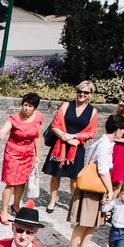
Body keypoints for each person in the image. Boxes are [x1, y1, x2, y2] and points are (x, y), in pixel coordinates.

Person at [67, 113, 124, 247]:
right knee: (83, 223)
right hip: (92, 189)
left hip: (98, 188)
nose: (123, 133)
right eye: (122, 130)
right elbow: (103, 170)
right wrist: (109, 190)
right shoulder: (103, 145)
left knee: (93, 223)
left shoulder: (108, 144)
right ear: (117, 129)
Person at [42, 81, 99, 214]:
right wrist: (65, 137)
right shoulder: (67, 105)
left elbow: (91, 132)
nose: (82, 94)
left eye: (86, 92)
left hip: (77, 146)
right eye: (80, 91)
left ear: (90, 94)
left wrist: (74, 137)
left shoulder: (92, 111)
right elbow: (55, 125)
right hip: (60, 145)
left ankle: (73, 203)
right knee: (56, 175)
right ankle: (52, 200)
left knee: (74, 177)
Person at [0, 92, 44, 225]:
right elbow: (2, 135)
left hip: (27, 154)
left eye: (30, 106)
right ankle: (4, 211)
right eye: (25, 105)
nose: (26, 108)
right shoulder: (14, 118)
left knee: (22, 182)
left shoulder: (38, 118)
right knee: (10, 183)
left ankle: (16, 205)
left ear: (35, 107)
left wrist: (37, 155)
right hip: (13, 153)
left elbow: (38, 137)